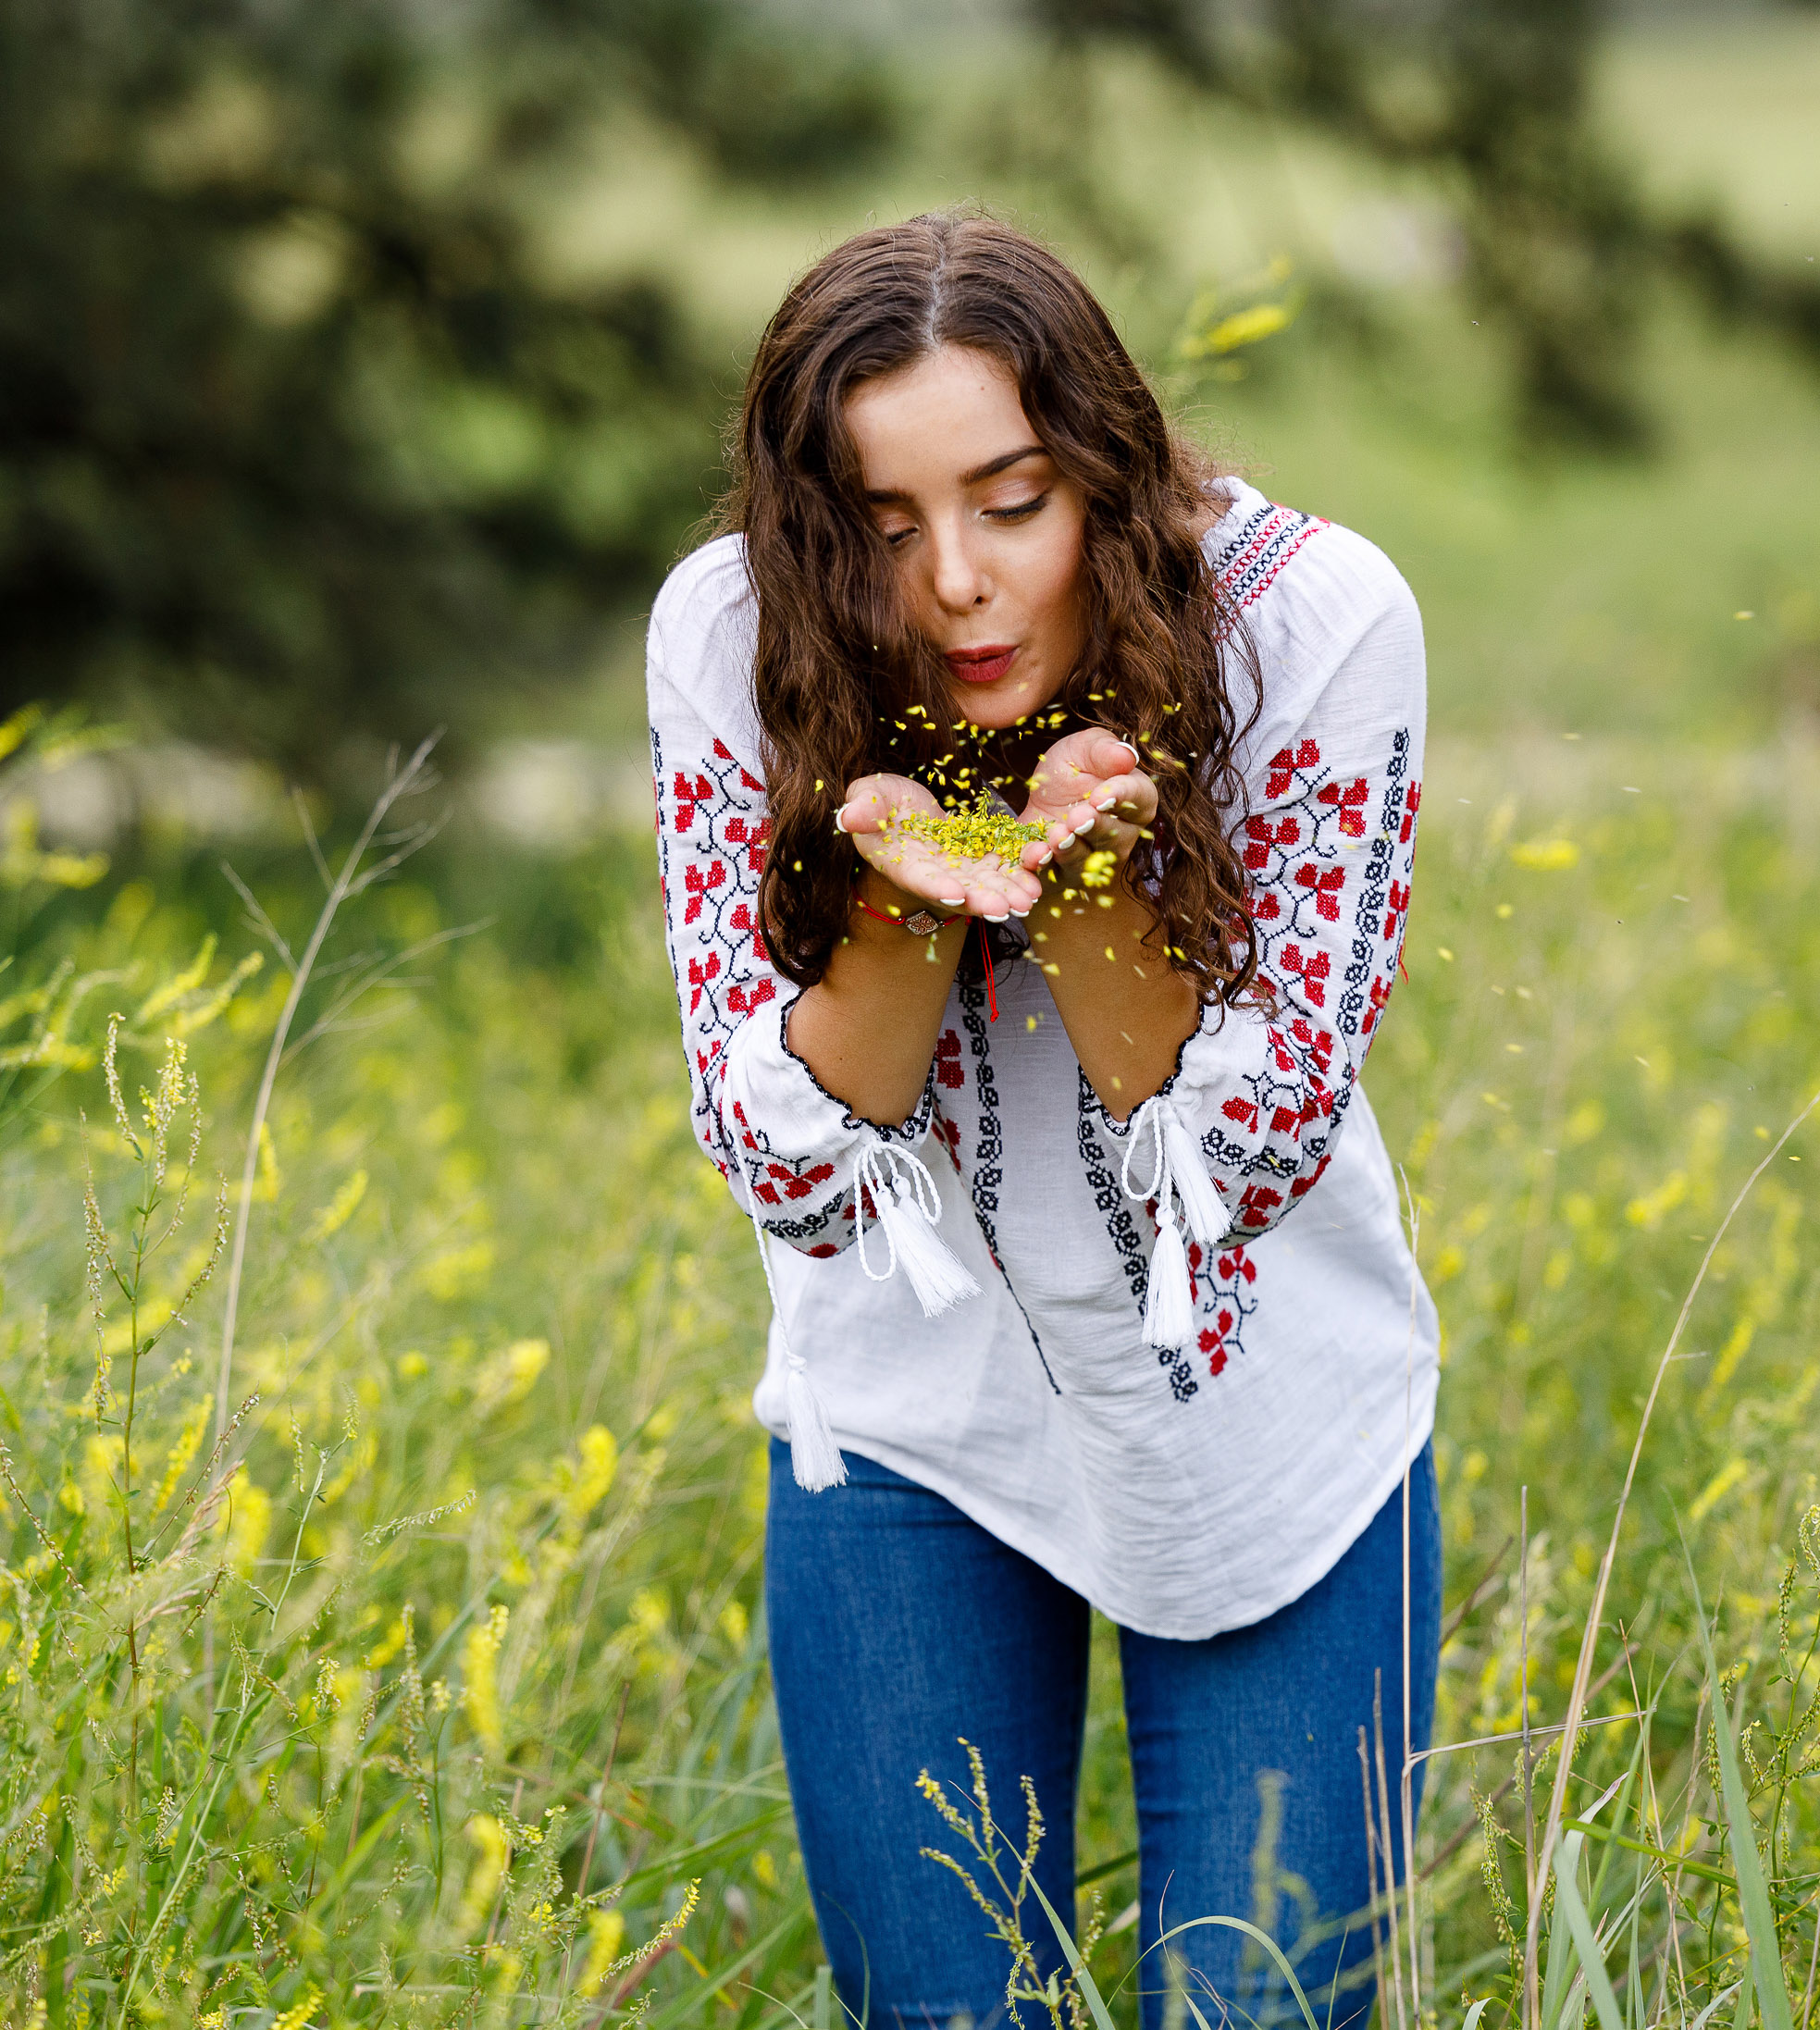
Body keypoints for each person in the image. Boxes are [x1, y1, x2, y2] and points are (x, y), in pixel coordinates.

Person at [646, 209, 1438, 2029]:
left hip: (1266, 1436)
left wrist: (1078, 885)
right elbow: (779, 1159)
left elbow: (1250, 1146)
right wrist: (915, 891)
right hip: (908, 1427)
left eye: (1011, 501)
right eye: (880, 522)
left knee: (1254, 2005)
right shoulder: (726, 628)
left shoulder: (1309, 620)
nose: (953, 585)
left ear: (1103, 467)